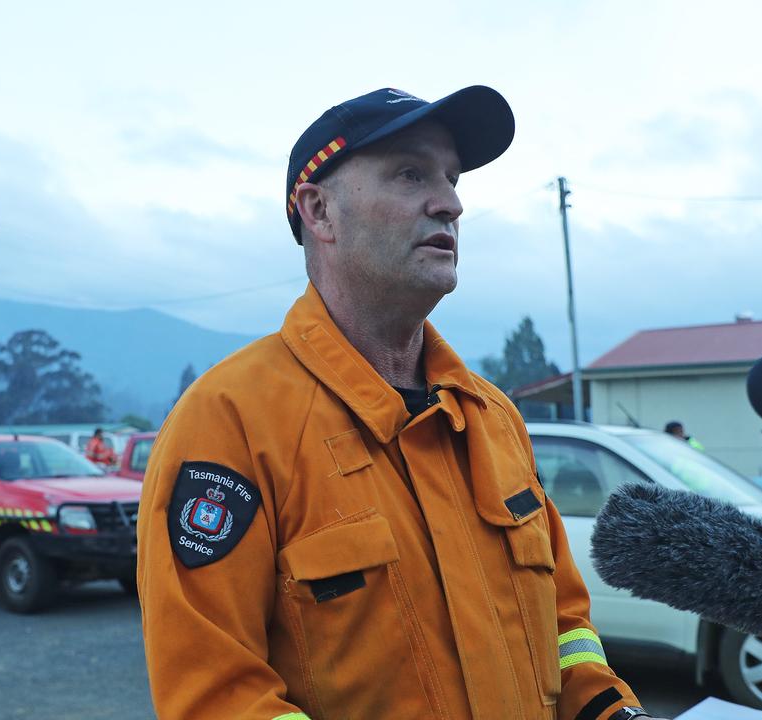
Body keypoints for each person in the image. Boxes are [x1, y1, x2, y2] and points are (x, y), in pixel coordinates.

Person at [137, 86, 663, 720]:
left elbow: (567, 630)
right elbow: (215, 695)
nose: (451, 203)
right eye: (411, 173)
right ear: (320, 212)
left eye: (452, 178)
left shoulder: (492, 418)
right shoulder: (229, 422)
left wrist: (611, 713)